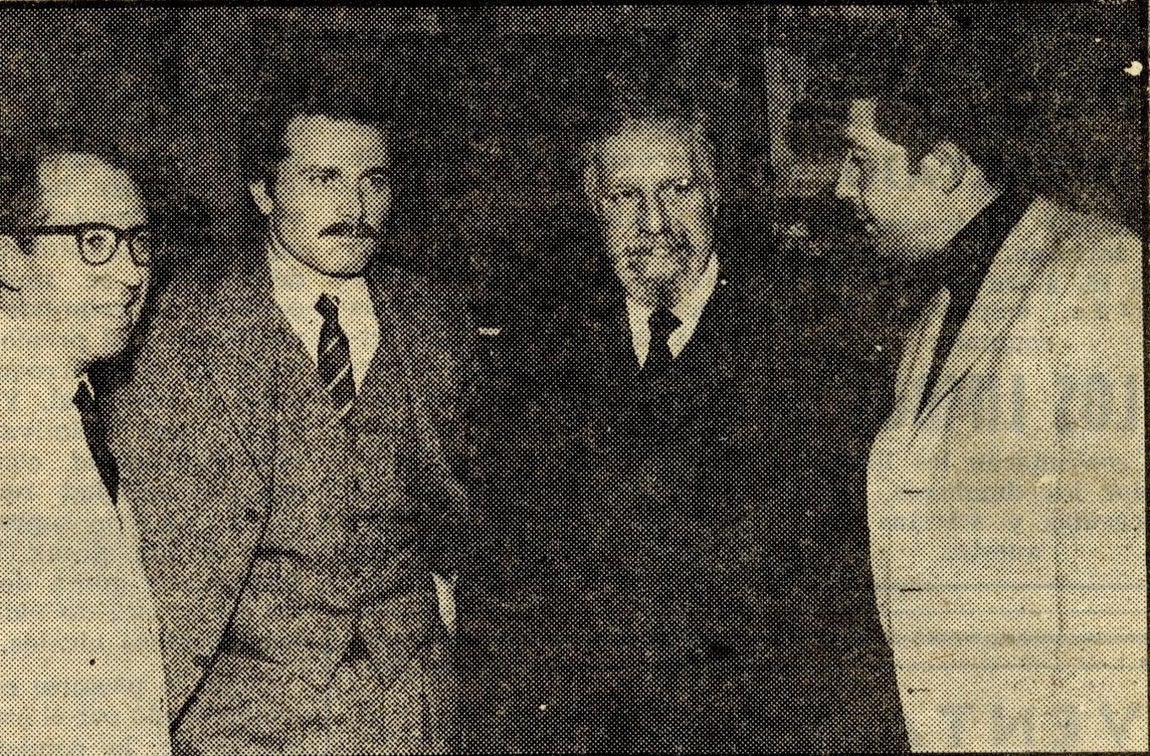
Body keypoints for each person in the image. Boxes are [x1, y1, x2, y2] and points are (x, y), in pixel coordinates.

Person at [462, 108, 907, 752]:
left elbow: (831, 582)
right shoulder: (542, 354)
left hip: (765, 714)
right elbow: (516, 568)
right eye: (624, 197)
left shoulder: (804, 340)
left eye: (676, 192)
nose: (652, 223)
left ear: (712, 197)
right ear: (594, 208)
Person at [103, 97, 474, 753]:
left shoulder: (434, 319)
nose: (355, 209)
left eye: (374, 180)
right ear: (263, 192)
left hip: (410, 708)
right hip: (242, 715)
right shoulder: (176, 318)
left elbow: (462, 509)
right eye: (323, 178)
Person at [834, 47, 1147, 751]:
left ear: (941, 168)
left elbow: (1121, 593)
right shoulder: (930, 325)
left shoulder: (1096, 273)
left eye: (861, 162)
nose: (841, 189)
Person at [0, 148, 171, 753]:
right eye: (93, 240)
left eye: (138, 241)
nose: (131, 274)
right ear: (11, 259)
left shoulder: (85, 408)